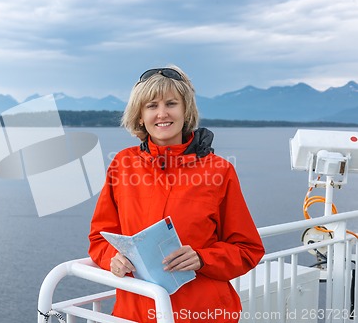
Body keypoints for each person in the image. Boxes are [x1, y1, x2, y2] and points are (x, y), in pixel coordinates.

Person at [88, 65, 265, 323]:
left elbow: (248, 249)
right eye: (151, 106)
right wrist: (112, 259)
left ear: (186, 111)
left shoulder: (220, 170)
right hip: (134, 314)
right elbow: (99, 238)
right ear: (139, 116)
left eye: (171, 103)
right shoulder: (122, 165)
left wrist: (202, 258)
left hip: (203, 314)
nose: (162, 114)